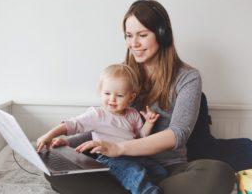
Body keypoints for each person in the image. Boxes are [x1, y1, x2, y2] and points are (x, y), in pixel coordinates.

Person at [42, 0, 236, 194]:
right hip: (119, 165)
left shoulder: (188, 77)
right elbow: (105, 122)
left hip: (166, 170)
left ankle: (143, 188)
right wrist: (70, 141)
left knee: (220, 172)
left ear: (162, 35)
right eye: (128, 35)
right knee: (55, 171)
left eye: (142, 35)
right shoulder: (123, 74)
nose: (133, 44)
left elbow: (178, 133)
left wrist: (119, 148)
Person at [37, 64, 168, 194]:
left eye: (120, 95)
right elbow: (72, 124)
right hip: (111, 159)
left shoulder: (133, 114)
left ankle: (131, 185)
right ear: (101, 92)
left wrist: (149, 123)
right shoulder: (98, 114)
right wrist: (49, 135)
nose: (112, 99)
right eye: (107, 93)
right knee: (134, 173)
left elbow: (141, 137)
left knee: (160, 172)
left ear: (131, 97)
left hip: (134, 154)